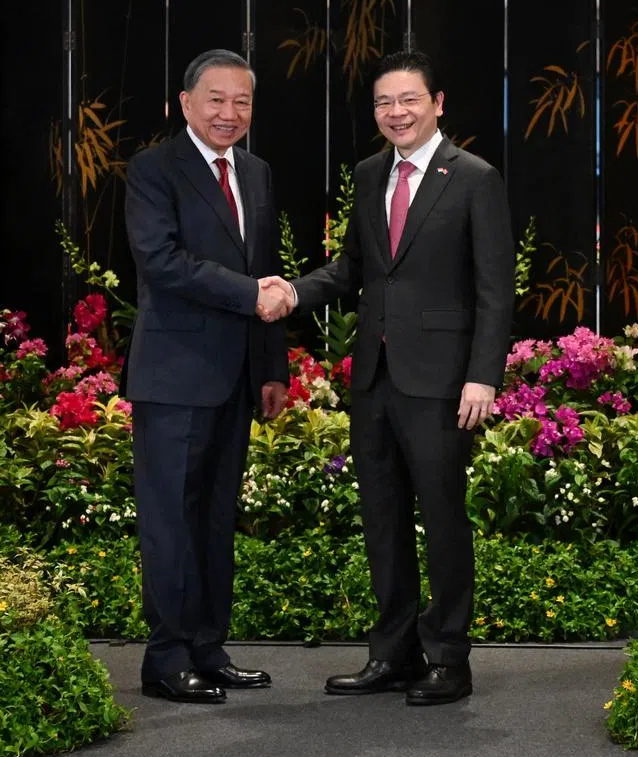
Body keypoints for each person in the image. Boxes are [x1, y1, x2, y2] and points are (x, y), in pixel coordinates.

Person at [261, 49, 514, 705]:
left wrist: (482, 377)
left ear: (437, 103)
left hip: (441, 381)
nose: (395, 113)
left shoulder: (475, 178)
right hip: (374, 379)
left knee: (443, 518)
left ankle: (449, 660)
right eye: (383, 103)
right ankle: (393, 655)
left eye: (408, 100)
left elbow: (495, 291)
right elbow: (351, 270)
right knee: (383, 521)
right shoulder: (370, 172)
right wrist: (291, 291)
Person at [123, 48, 292, 704]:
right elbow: (162, 261)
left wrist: (271, 368)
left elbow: (269, 266)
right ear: (185, 103)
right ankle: (165, 658)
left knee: (216, 518)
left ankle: (206, 648)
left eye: (242, 101)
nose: (230, 113)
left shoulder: (256, 172)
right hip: (174, 378)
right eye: (216, 100)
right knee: (170, 520)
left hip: (238, 379)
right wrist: (251, 295)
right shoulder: (153, 169)